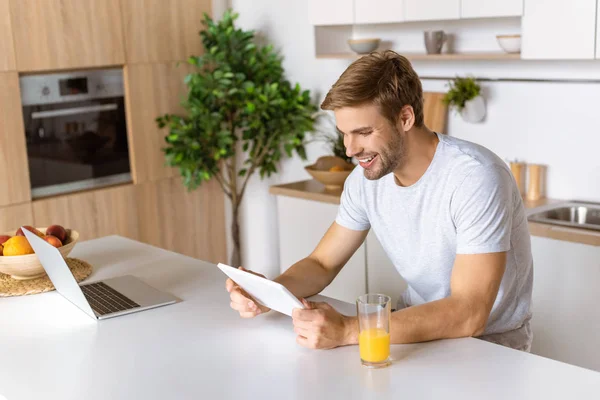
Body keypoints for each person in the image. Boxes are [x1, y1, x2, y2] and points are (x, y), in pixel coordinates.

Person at [225, 50, 534, 352]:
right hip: (407, 331)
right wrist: (270, 293)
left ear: (405, 117)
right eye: (345, 133)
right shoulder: (364, 181)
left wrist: (349, 329)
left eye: (363, 132)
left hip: (488, 349)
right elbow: (322, 263)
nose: (350, 149)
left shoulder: (474, 178)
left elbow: (470, 312)